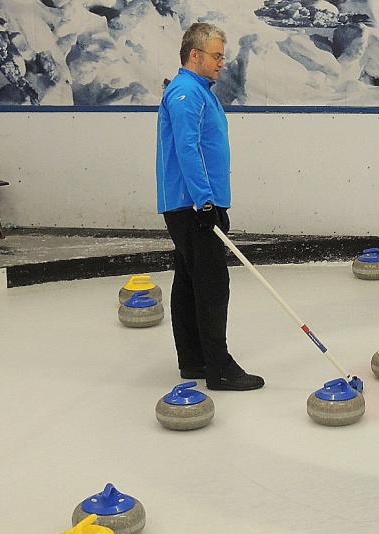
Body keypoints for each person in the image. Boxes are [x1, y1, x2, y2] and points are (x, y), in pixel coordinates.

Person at [156, 22, 264, 391]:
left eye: (223, 56)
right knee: (213, 285)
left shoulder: (199, 91)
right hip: (192, 206)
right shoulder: (186, 93)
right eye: (216, 56)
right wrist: (204, 201)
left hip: (194, 204)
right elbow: (187, 148)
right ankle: (218, 367)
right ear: (195, 55)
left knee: (189, 281)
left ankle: (193, 360)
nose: (222, 62)